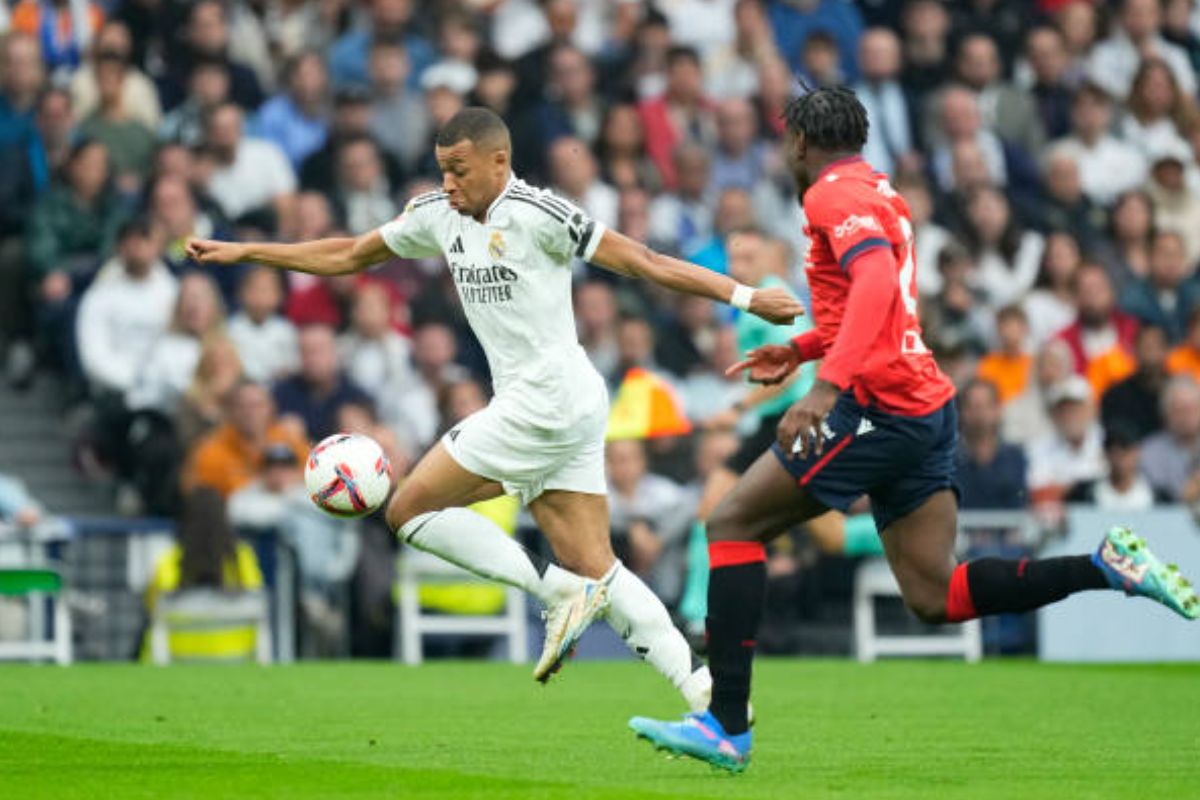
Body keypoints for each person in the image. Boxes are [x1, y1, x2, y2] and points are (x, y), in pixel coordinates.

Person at [628, 86, 1198, 773]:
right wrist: (804, 349)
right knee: (935, 594)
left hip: (877, 408)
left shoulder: (828, 197)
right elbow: (886, 307)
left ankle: (725, 725)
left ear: (801, 144)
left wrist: (827, 386)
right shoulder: (881, 191)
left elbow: (872, 286)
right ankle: (1105, 566)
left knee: (731, 524)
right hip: (925, 407)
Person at [186, 106, 803, 712]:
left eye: (459, 169)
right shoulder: (437, 216)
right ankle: (706, 694)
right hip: (559, 406)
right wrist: (248, 253)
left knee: (407, 509)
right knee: (599, 566)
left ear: (498, 160)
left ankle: (555, 588)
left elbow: (643, 261)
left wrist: (746, 296)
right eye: (441, 170)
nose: (448, 183)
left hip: (547, 400)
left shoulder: (540, 213)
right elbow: (350, 254)